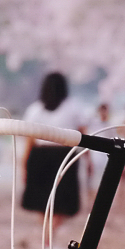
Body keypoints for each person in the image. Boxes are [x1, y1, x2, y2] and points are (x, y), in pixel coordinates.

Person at [21, 71, 92, 226]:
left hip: (39, 156)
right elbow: (84, 137)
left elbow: (29, 142)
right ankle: (50, 234)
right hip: (64, 157)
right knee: (63, 202)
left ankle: (45, 234)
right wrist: (88, 159)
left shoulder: (35, 110)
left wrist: (24, 165)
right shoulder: (74, 108)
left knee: (41, 200)